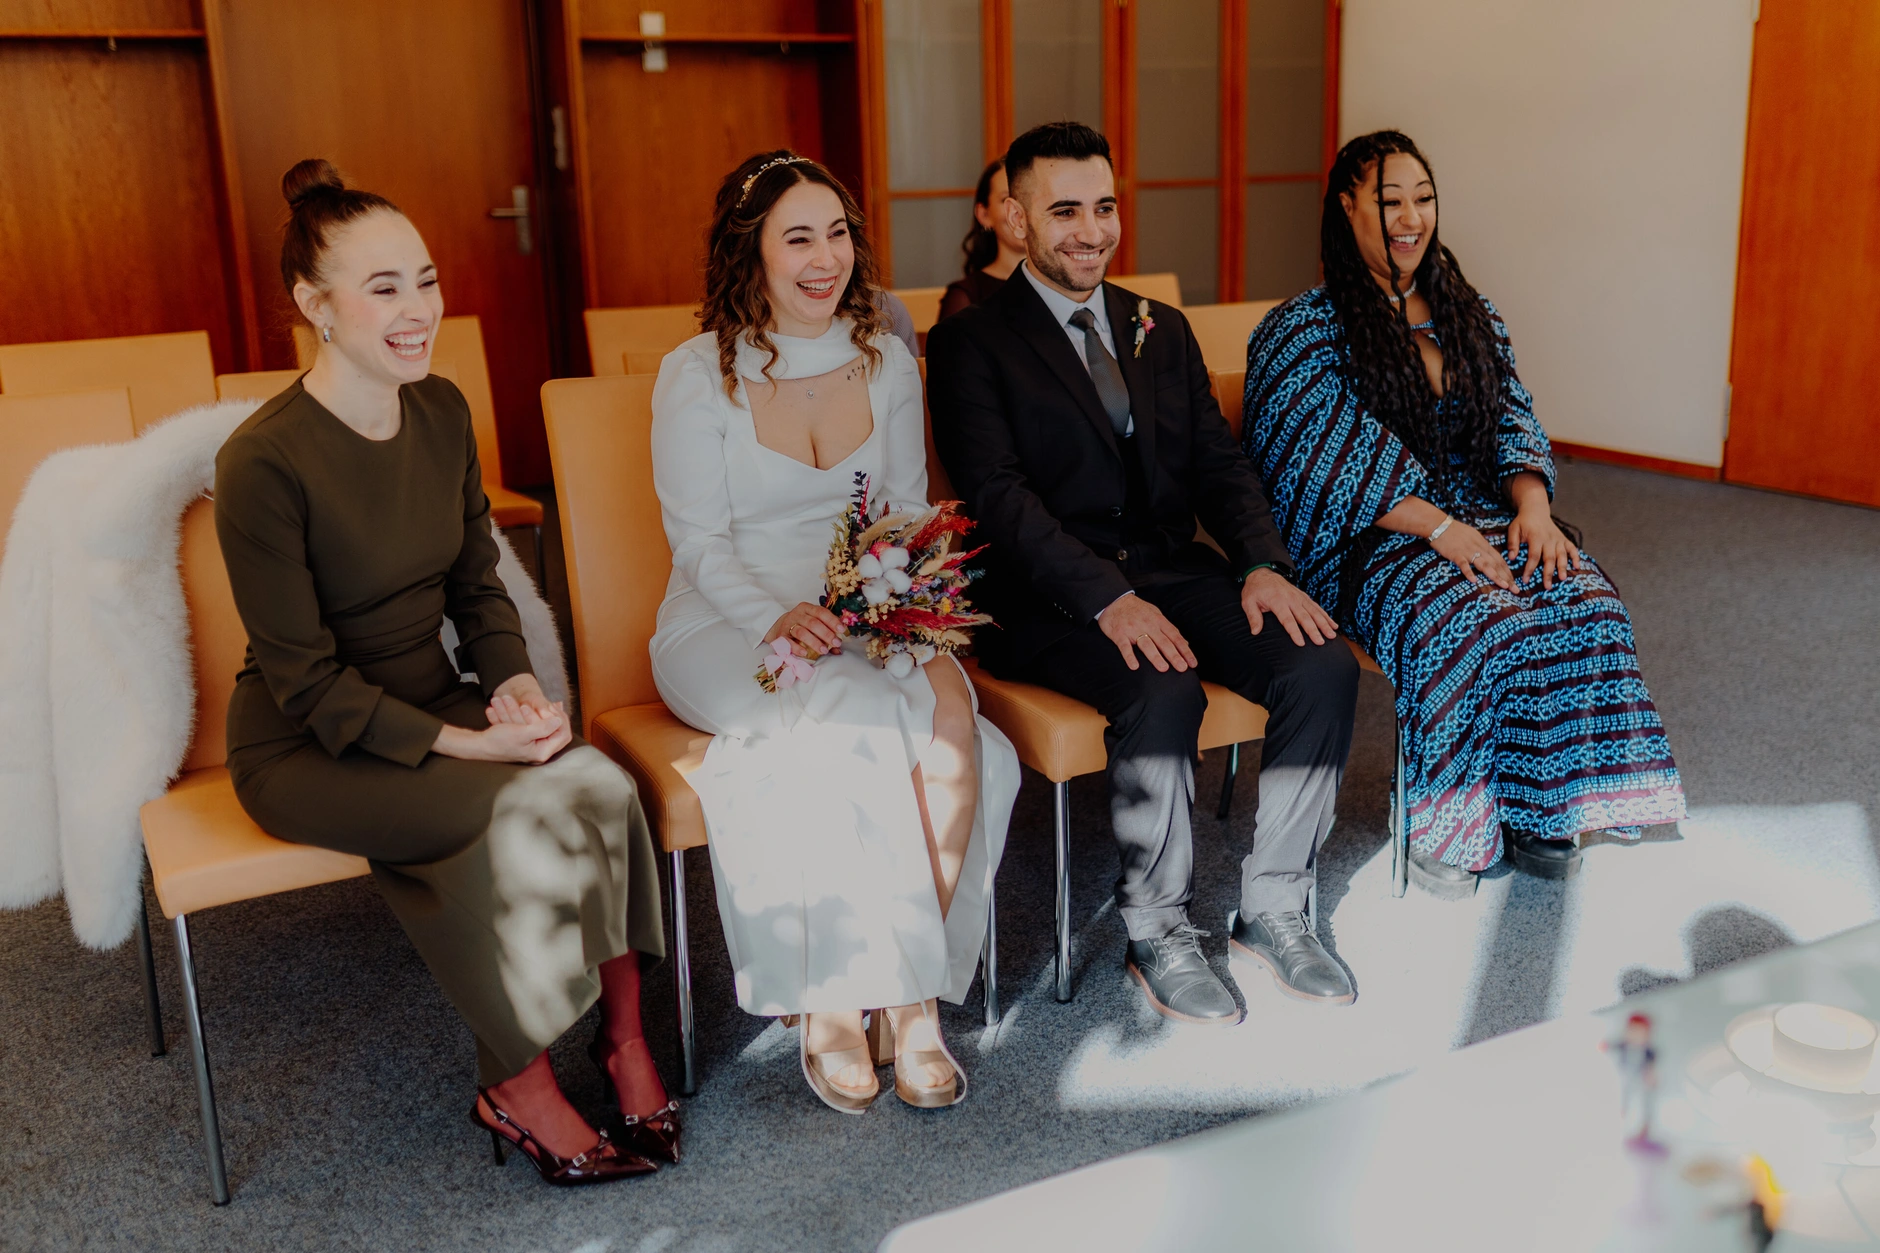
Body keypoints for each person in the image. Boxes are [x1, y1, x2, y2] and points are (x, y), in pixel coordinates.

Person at [215, 160, 674, 1187]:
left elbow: (479, 583)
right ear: (312, 305)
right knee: (505, 814)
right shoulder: (263, 460)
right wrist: (473, 740)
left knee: (599, 783)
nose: (419, 309)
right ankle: (516, 1080)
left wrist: (510, 685)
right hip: (305, 743)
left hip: (435, 699)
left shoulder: (441, 408)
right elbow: (301, 680)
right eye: (383, 288)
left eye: (424, 279)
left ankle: (623, 1041)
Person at [927, 123, 1360, 1025]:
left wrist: (1263, 565)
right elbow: (999, 501)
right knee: (1159, 682)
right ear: (1013, 217)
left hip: (1171, 570)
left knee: (1317, 658)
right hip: (1050, 596)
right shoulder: (973, 342)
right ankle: (1156, 927)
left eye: (1105, 207)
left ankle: (1276, 903)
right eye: (1064, 211)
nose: (1091, 231)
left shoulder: (1156, 327)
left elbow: (1220, 464)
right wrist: (1105, 598)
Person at [649, 150, 1019, 1113]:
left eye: (838, 233)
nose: (826, 258)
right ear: (752, 253)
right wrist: (774, 615)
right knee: (852, 717)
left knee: (960, 738)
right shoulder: (697, 373)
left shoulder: (887, 358)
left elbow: (896, 510)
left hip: (859, 603)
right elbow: (696, 542)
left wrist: (916, 623)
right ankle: (860, 1001)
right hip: (726, 620)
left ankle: (902, 982)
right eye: (797, 237)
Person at [1242, 131, 1685, 896]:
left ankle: (1542, 803)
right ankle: (1442, 824)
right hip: (1371, 542)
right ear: (1347, 208)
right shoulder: (1303, 328)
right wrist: (1442, 531)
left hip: (1482, 516)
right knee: (1481, 616)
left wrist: (1535, 509)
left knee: (1587, 602)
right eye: (1390, 202)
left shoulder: (1466, 312)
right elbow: (1324, 456)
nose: (1410, 217)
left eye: (1424, 197)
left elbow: (1512, 412)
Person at [938, 159, 1027, 322]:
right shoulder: (965, 296)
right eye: (1006, 200)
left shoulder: (1065, 284)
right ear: (984, 215)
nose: (1019, 211)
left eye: (1026, 197)